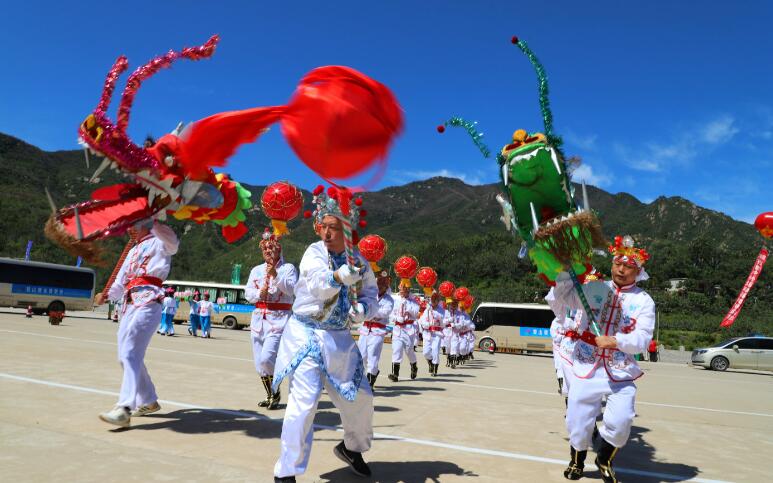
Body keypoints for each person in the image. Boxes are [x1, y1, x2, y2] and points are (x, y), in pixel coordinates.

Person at [272, 193, 378, 483]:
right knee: (303, 404)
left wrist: (363, 309)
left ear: (348, 229)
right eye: (323, 226)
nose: (327, 232)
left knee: (362, 399)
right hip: (306, 336)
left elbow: (371, 295)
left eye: (334, 227)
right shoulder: (314, 252)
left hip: (340, 340)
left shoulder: (360, 261)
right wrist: (339, 277)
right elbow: (318, 283)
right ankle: (286, 472)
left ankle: (351, 448)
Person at [548, 235, 655, 482]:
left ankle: (604, 459)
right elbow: (563, 300)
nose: (621, 269)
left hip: (620, 369)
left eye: (628, 266)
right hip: (586, 364)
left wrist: (616, 341)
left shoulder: (643, 301)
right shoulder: (595, 288)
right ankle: (577, 461)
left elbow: (642, 338)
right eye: (618, 263)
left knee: (622, 420)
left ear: (638, 271)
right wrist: (565, 270)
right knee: (578, 419)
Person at [94, 221, 179, 427]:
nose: (130, 229)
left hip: (149, 300)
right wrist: (107, 295)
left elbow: (173, 244)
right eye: (129, 225)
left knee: (130, 351)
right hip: (129, 304)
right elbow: (120, 283)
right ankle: (148, 400)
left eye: (134, 224)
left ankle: (124, 408)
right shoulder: (131, 251)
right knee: (124, 356)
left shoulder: (159, 241)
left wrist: (153, 220)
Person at [244, 230, 298, 410]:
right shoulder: (256, 270)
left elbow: (292, 289)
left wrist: (275, 275)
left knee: (267, 358)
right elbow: (248, 293)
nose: (268, 250)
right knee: (260, 362)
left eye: (271, 247)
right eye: (265, 248)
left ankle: (276, 389)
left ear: (279, 249)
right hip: (259, 320)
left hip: (279, 320)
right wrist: (258, 293)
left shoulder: (288, 268)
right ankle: (271, 395)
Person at [357, 270, 394, 388]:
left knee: (373, 356)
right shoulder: (369, 296)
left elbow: (384, 313)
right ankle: (372, 373)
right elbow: (362, 307)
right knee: (361, 356)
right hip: (365, 329)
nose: (380, 286)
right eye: (379, 283)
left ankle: (370, 383)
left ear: (386, 286)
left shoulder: (389, 300)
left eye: (383, 284)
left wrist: (370, 312)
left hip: (377, 331)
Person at [387, 282, 421, 382]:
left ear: (408, 290)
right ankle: (395, 374)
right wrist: (396, 318)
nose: (402, 291)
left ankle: (414, 365)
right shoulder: (396, 300)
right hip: (398, 328)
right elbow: (391, 314)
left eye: (404, 289)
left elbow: (416, 313)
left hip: (408, 329)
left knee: (409, 351)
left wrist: (407, 306)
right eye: (401, 289)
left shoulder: (413, 301)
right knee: (396, 350)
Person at [418, 291, 445, 377]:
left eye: (435, 300)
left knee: (435, 351)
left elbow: (443, 322)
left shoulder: (441, 310)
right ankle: (430, 363)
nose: (433, 301)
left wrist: (436, 316)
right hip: (427, 333)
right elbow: (422, 321)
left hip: (436, 334)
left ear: (438, 300)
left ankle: (435, 370)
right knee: (426, 353)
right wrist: (427, 324)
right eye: (432, 299)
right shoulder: (427, 310)